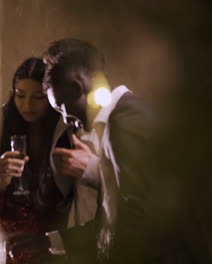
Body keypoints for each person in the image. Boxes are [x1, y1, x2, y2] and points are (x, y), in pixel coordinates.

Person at [42, 38, 156, 263]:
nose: (65, 120)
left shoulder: (127, 122)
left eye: (60, 107)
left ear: (77, 88)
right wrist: (49, 242)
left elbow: (139, 221)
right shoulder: (115, 123)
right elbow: (110, 224)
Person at [0, 57, 72, 264]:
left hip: (51, 243)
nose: (27, 105)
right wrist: (0, 181)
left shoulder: (65, 132)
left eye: (38, 97)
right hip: (9, 242)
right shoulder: (0, 129)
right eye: (20, 95)